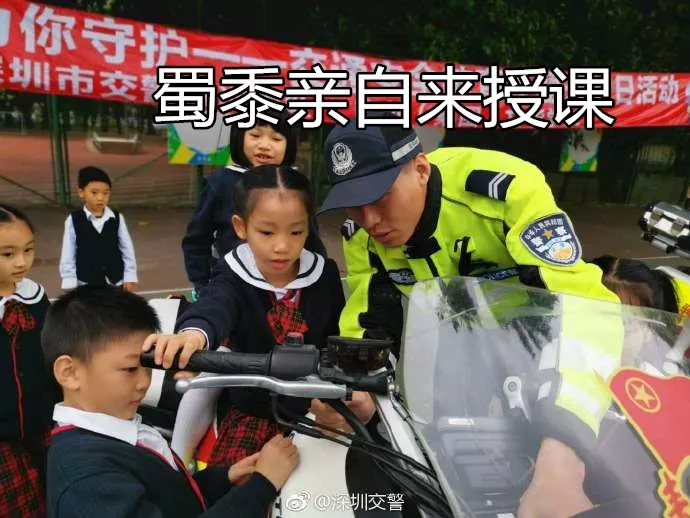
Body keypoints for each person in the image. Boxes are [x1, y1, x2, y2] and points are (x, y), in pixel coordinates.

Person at [312, 118, 624, 518]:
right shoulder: (360, 236)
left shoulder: (505, 191)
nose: (370, 219)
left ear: (421, 169)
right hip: (454, 351)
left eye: (381, 196)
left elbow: (583, 307)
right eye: (354, 203)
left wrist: (564, 454)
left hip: (543, 352)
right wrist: (351, 389)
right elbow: (366, 321)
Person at [144, 165, 345, 469]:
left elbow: (337, 336)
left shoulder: (324, 274)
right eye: (266, 232)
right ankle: (178, 466)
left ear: (309, 227)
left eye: (296, 231)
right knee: (233, 482)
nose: (282, 246)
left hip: (314, 406)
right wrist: (194, 334)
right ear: (240, 226)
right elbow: (215, 304)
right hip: (253, 407)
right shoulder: (234, 273)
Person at [42, 285, 299, 518]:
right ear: (69, 373)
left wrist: (225, 479)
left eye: (147, 367)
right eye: (130, 369)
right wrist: (262, 486)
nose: (144, 382)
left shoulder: (115, 426)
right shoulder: (85, 480)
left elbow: (168, 498)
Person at [181, 107, 327, 300]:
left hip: (287, 290)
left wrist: (318, 285)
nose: (264, 145)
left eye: (276, 139)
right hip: (232, 289)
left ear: (289, 145)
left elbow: (312, 239)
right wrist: (203, 285)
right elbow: (196, 241)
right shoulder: (220, 183)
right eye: (255, 135)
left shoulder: (296, 185)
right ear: (239, 136)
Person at [0, 204, 54, 518]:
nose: (22, 262)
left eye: (28, 250)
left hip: (42, 424)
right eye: (8, 254)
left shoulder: (35, 297)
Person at [58, 167, 138, 292]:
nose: (100, 198)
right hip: (86, 282)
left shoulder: (117, 218)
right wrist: (69, 281)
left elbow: (127, 248)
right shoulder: (73, 220)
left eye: (105, 193)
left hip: (115, 281)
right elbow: (68, 251)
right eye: (94, 192)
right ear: (81, 193)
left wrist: (130, 276)